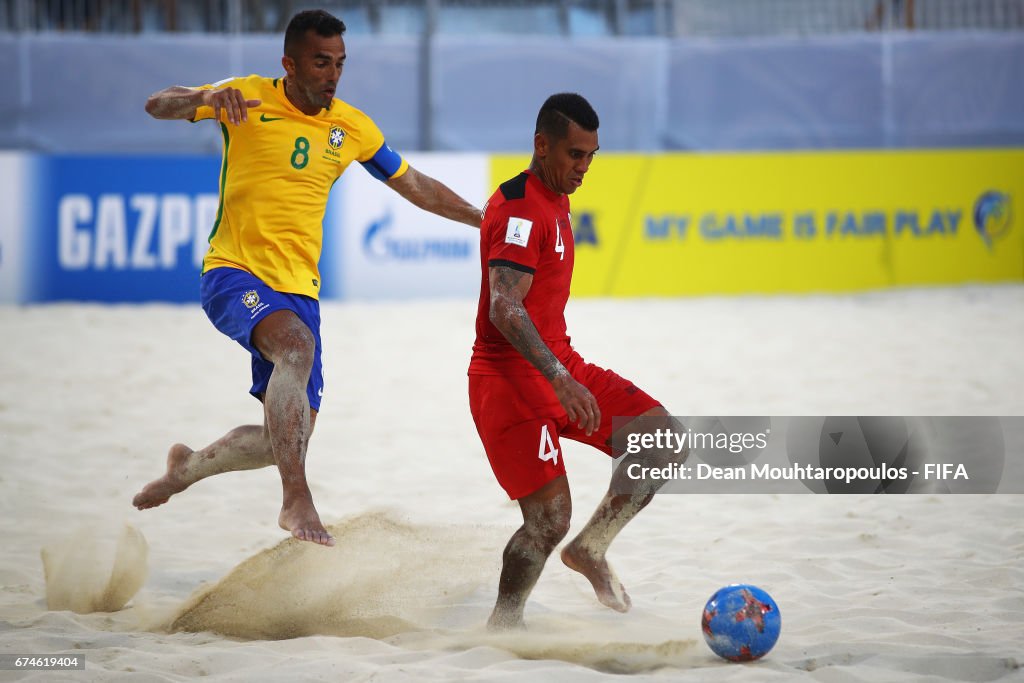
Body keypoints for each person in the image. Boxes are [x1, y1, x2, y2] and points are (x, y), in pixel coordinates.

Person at [133, 9, 481, 547]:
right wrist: (204, 99)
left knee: (286, 436)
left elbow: (416, 185)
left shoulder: (352, 125)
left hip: (300, 289)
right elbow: (157, 105)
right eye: (321, 62)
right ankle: (296, 500)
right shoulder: (245, 95)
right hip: (234, 269)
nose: (333, 74)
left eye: (340, 63)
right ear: (289, 65)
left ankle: (188, 467)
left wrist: (484, 218)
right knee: (295, 350)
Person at [468, 93, 686, 629]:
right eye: (574, 155)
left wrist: (564, 373)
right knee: (547, 520)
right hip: (507, 380)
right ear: (542, 146)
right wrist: (560, 379)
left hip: (559, 363)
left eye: (591, 156)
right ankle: (503, 626)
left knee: (664, 441)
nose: (584, 167)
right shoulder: (520, 207)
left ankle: (590, 549)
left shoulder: (555, 194)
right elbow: (503, 307)